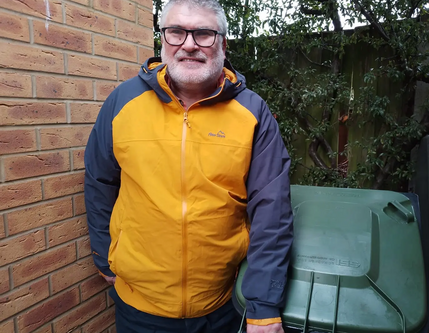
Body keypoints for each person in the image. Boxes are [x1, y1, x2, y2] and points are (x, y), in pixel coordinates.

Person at [84, 0, 293, 332]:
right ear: (163, 41)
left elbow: (273, 209)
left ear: (222, 43)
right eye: (177, 32)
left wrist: (263, 307)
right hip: (139, 306)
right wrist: (103, 256)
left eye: (204, 33)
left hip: (221, 306)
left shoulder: (253, 112)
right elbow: (99, 182)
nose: (189, 44)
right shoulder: (123, 102)